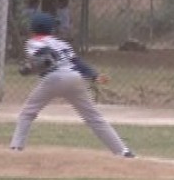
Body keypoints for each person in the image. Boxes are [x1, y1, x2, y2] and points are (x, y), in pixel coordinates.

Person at [10, 12, 135, 158]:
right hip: (74, 77)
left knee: (27, 113)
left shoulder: (34, 42)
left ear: (33, 29)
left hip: (54, 78)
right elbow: (77, 62)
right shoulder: (62, 43)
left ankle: (16, 149)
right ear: (51, 29)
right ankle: (123, 151)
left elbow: (44, 57)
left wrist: (29, 68)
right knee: (93, 116)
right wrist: (94, 75)